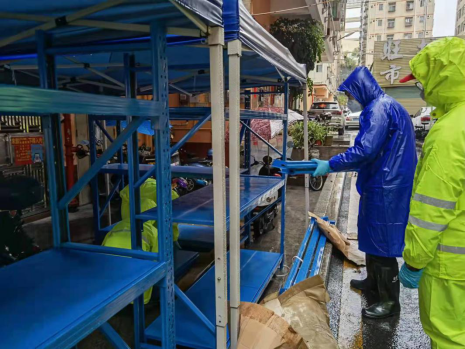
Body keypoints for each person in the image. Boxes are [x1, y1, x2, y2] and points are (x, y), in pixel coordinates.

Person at [311, 66, 417, 319]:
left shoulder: (379, 108)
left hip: (386, 184)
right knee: (372, 235)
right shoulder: (385, 105)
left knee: (382, 242)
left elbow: (365, 150)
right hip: (385, 180)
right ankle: (373, 282)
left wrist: (330, 164)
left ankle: (390, 303)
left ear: (360, 90)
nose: (349, 101)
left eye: (350, 95)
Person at [398, 37, 465, 348]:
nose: (420, 87)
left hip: (451, 266)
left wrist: (414, 261)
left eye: (423, 79)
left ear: (443, 76)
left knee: (449, 338)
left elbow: (433, 208)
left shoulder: (450, 132)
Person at [102, 178, 180, 304]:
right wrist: (174, 239)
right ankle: (144, 302)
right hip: (137, 295)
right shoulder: (170, 195)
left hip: (112, 276)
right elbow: (159, 260)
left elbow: (103, 250)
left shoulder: (130, 189)